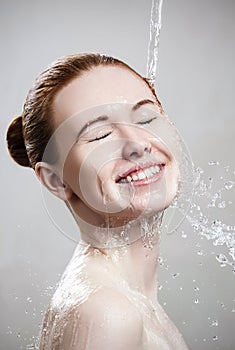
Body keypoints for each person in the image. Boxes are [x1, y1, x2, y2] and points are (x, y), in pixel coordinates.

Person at [6, 53, 189, 350]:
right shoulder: (106, 313)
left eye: (146, 118)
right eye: (100, 135)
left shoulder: (123, 298)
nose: (138, 143)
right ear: (57, 180)